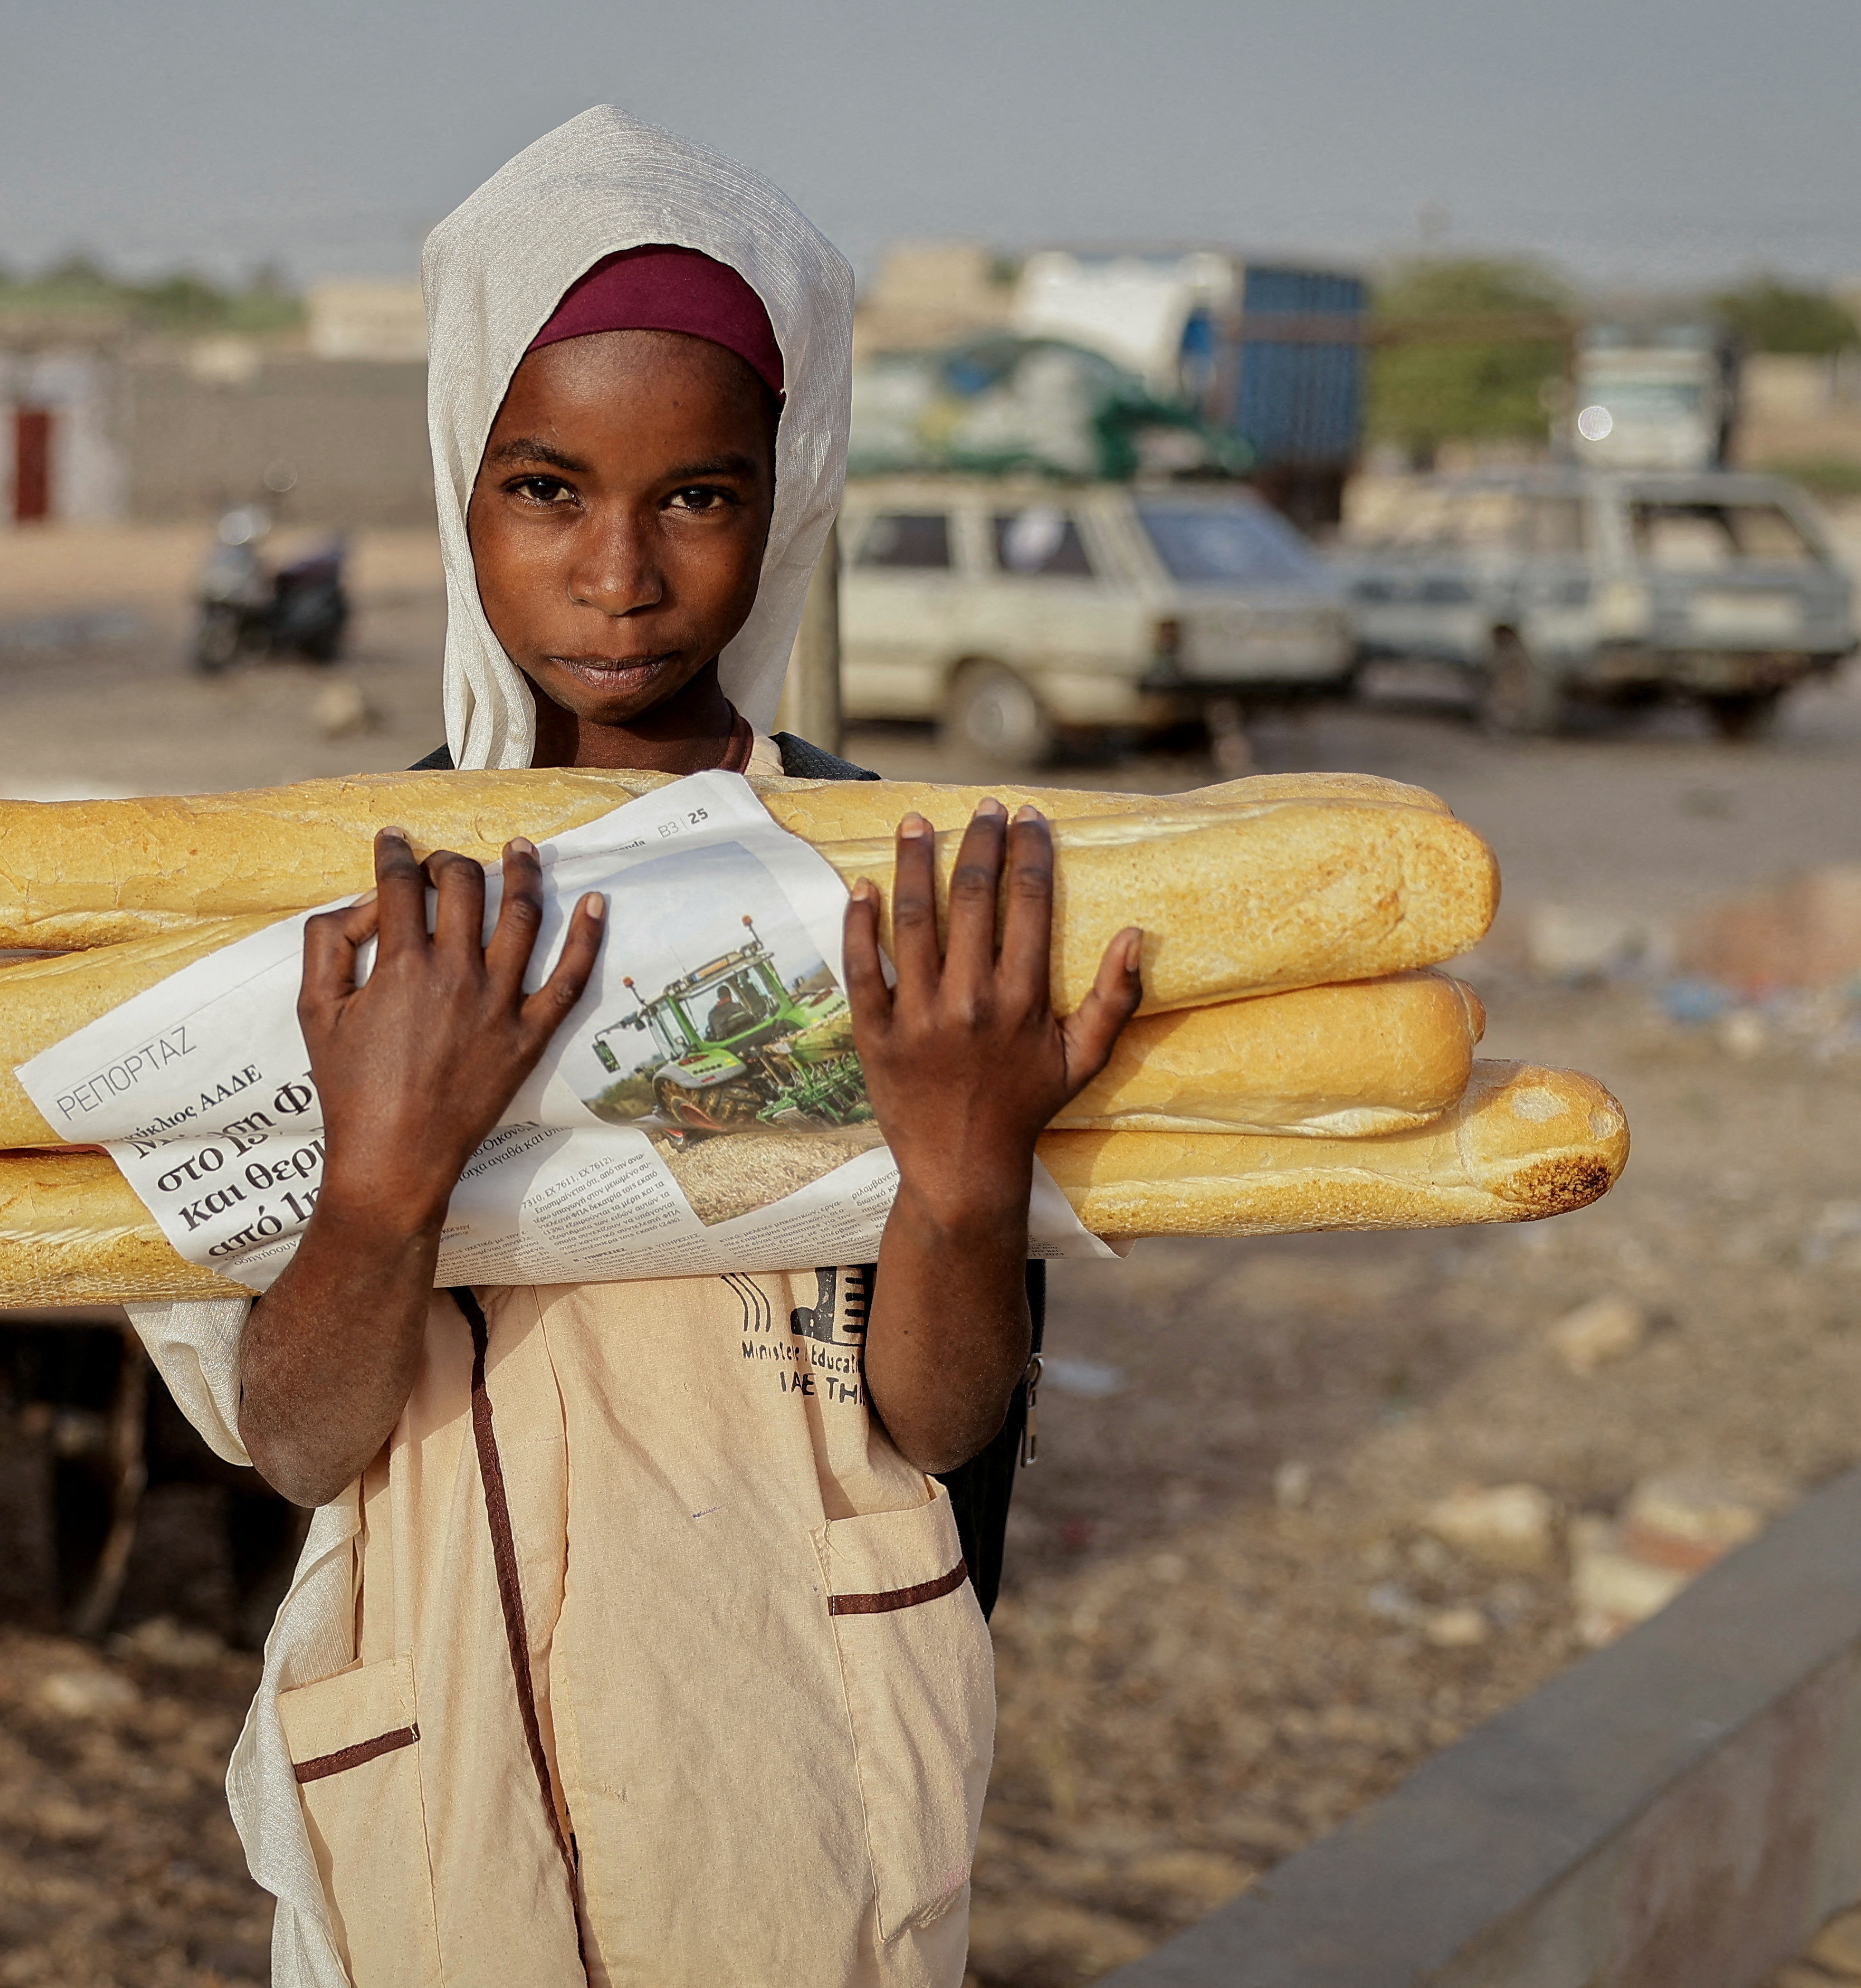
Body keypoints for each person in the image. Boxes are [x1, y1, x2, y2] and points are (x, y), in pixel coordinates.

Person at [130, 106, 1143, 1988]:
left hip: (802, 1786)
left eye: (696, 496)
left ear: (791, 489)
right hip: (446, 1798)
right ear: (460, 481)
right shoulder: (342, 912)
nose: (620, 572)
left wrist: (961, 1179)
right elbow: (300, 1434)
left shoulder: (884, 896)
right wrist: (383, 1182)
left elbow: (941, 1424)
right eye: (545, 489)